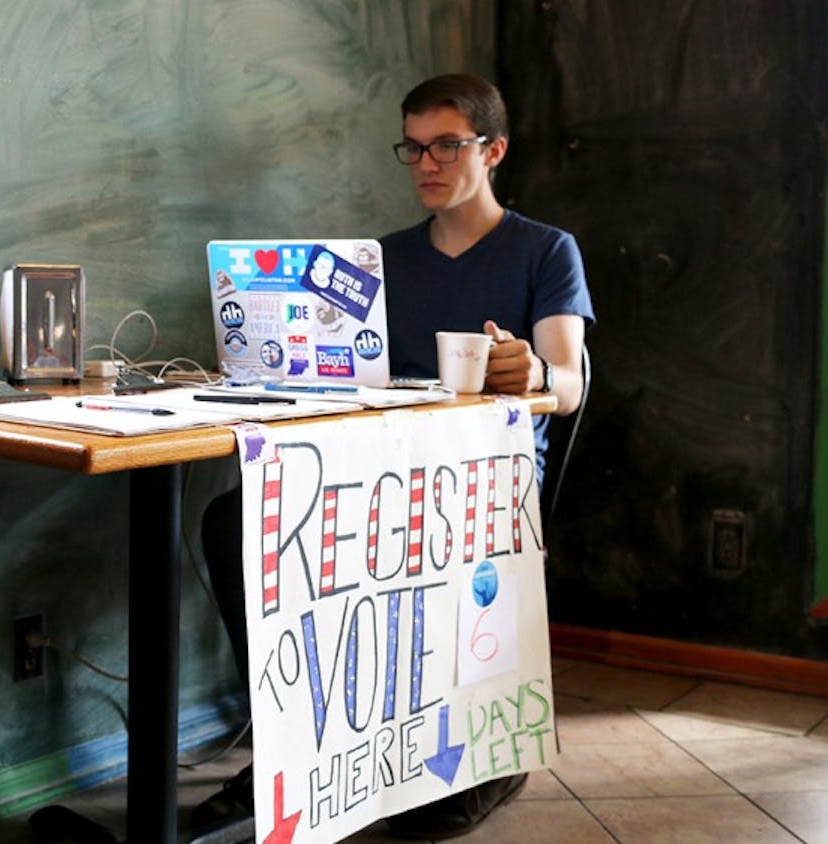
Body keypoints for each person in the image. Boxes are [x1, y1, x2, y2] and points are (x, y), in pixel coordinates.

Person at [192, 72, 595, 839]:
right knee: (234, 522)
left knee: (354, 534)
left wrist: (537, 371)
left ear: (494, 149)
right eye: (413, 148)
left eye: (447, 144)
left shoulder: (546, 251)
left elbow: (570, 380)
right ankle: (292, 744)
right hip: (377, 468)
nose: (426, 163)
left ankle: (460, 753)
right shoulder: (376, 261)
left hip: (487, 478)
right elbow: (344, 375)